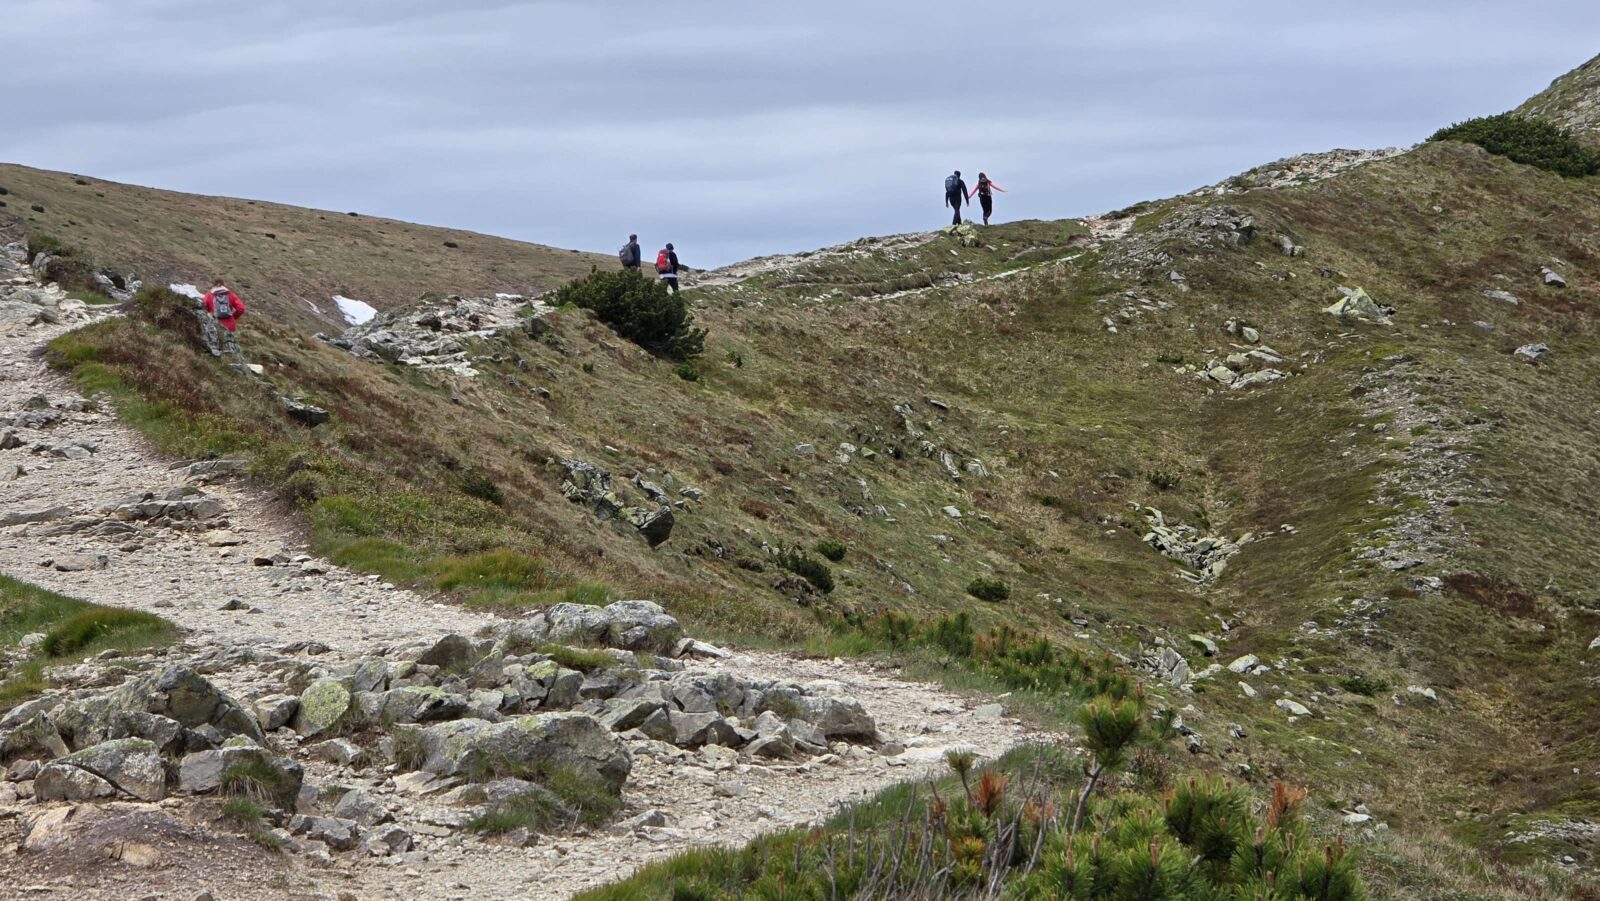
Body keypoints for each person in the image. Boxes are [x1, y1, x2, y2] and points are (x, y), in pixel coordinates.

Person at [201, 278, 246, 358]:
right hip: (230, 325)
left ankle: (219, 362)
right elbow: (241, 308)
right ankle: (233, 361)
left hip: (216, 325)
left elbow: (203, 307)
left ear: (213, 284)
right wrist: (233, 317)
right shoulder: (230, 294)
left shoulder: (209, 295)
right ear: (223, 284)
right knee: (231, 348)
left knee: (217, 348)